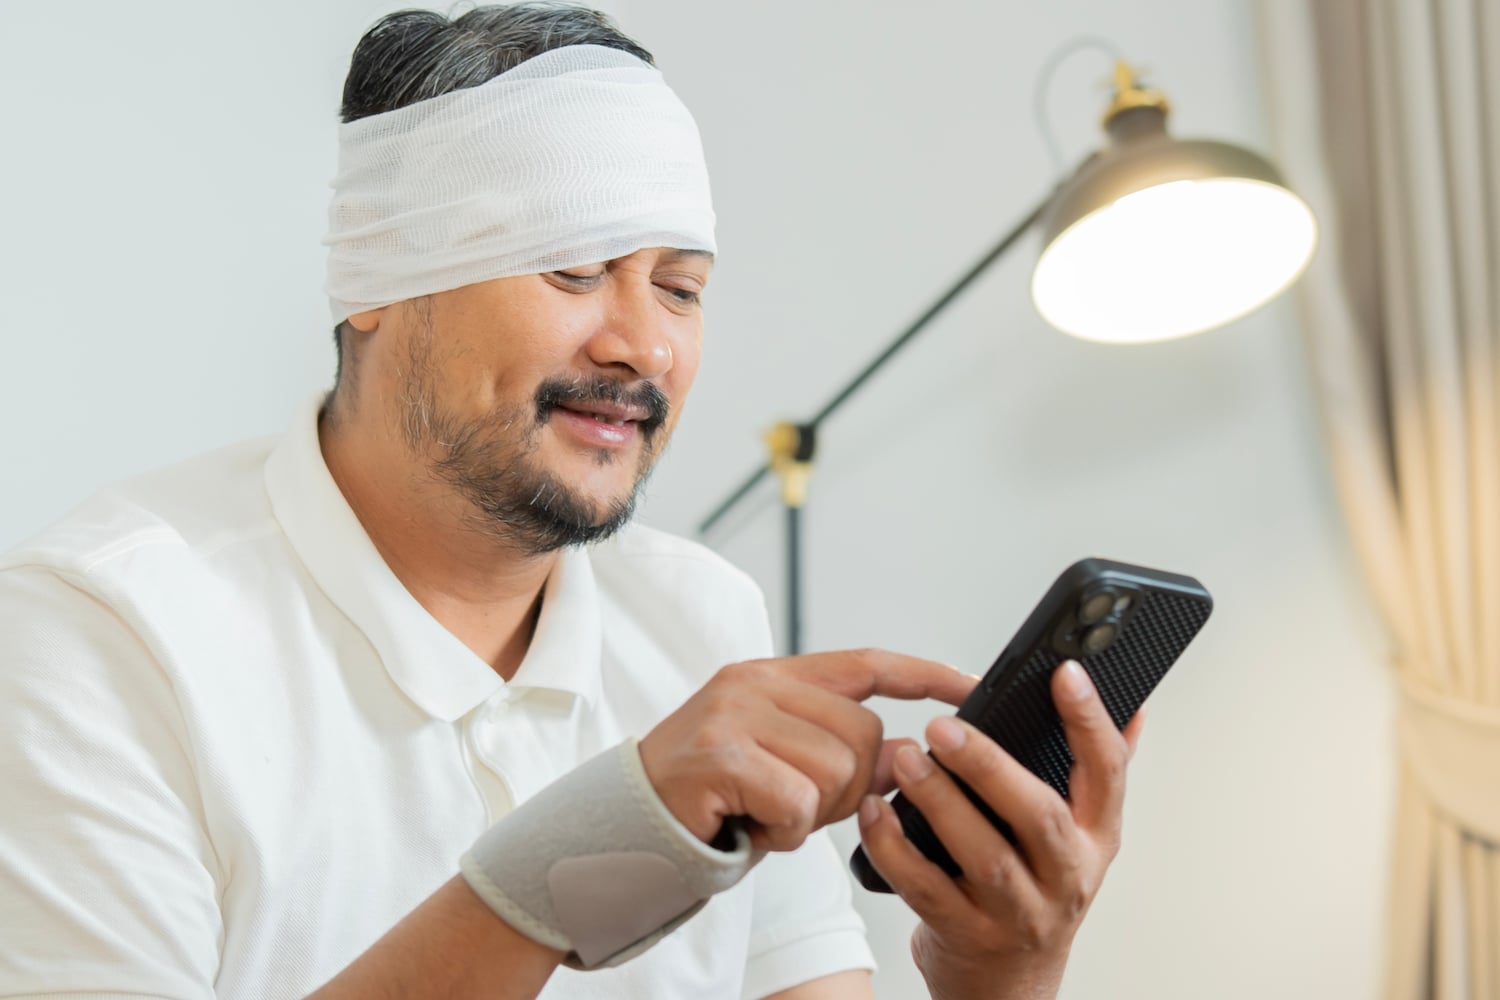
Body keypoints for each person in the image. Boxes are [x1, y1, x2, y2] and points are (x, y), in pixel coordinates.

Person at [0, 5, 1142, 998]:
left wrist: (1000, 976)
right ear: (378, 285)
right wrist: (593, 851)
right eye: (573, 269)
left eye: (680, 287)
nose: (642, 343)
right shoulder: (102, 634)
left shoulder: (704, 624)